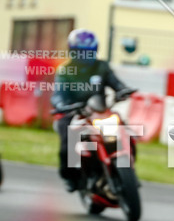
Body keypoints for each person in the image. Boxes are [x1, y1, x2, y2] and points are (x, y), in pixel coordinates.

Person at [51, 29, 133, 191]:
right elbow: (57, 94)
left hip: (99, 111)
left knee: (124, 129)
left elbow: (116, 83)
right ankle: (70, 177)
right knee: (69, 142)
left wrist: (122, 90)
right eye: (81, 52)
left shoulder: (101, 67)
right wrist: (61, 104)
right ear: (73, 52)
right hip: (73, 113)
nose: (85, 56)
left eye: (89, 52)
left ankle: (128, 164)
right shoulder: (65, 71)